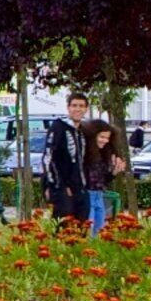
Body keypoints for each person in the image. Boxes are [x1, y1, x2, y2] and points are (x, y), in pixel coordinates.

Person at [41, 94, 93, 224]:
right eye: (74, 106)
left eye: (81, 106)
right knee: (64, 227)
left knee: (82, 227)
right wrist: (59, 186)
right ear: (68, 108)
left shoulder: (82, 130)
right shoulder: (58, 127)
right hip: (62, 189)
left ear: (86, 109)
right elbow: (48, 159)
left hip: (80, 188)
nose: (78, 109)